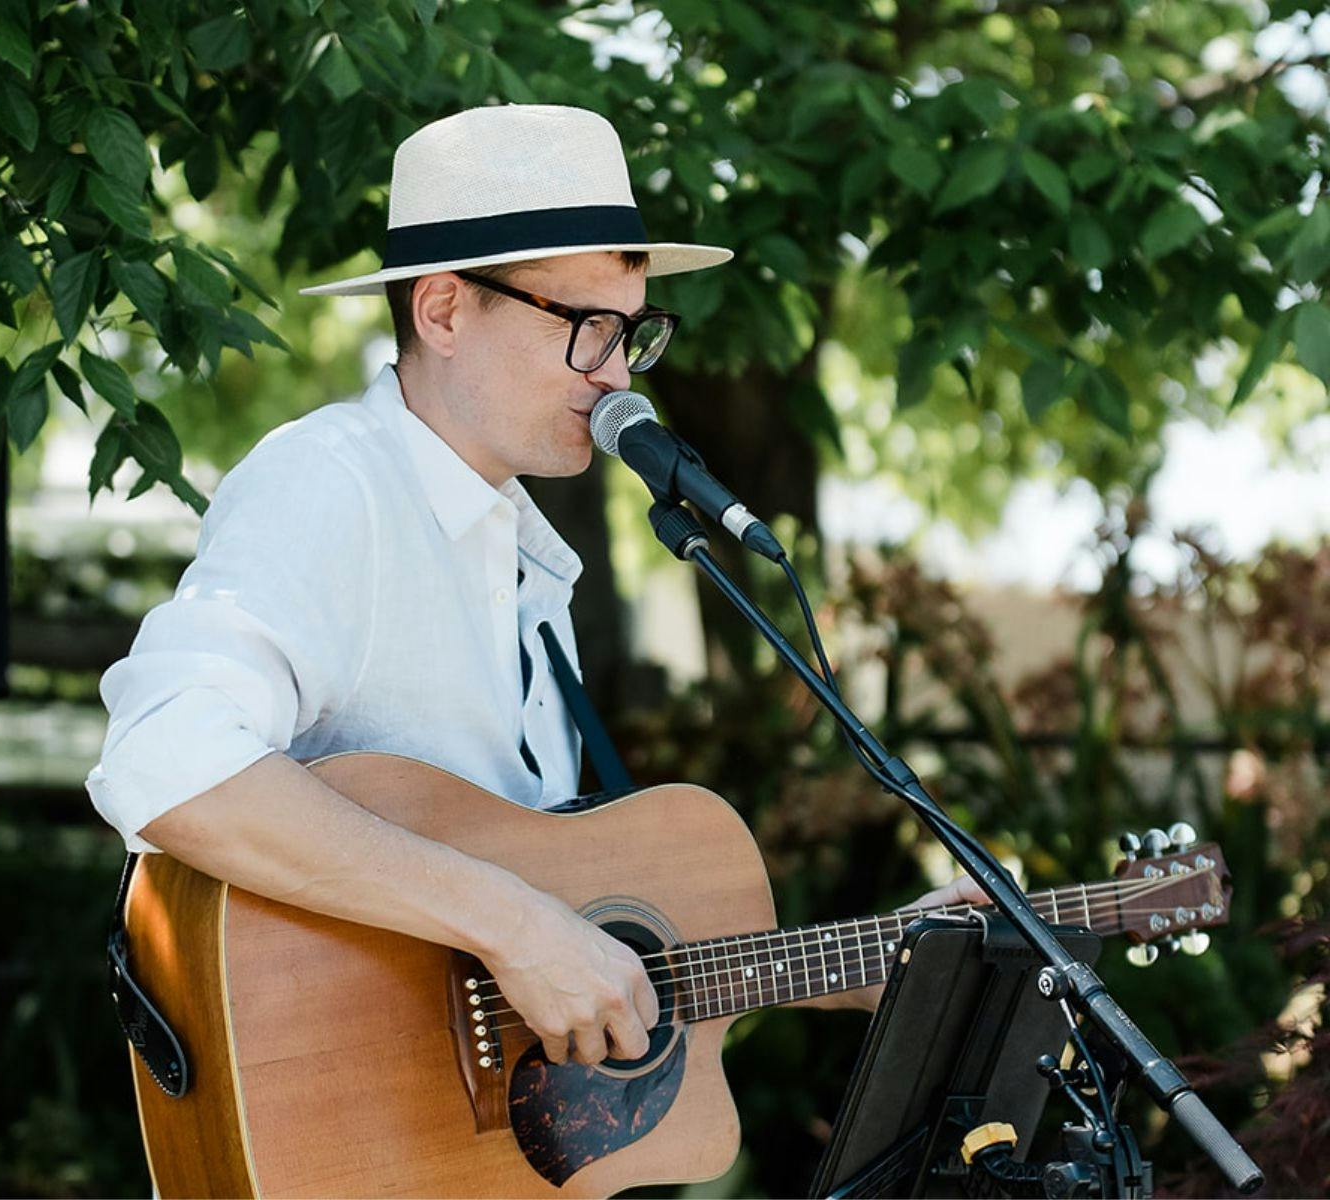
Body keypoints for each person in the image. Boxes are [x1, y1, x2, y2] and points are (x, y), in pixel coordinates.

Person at [85, 103, 982, 1072]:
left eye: (633, 333)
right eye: (587, 327)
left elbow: (563, 973)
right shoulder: (333, 482)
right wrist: (509, 920)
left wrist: (846, 970)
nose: (617, 378)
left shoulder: (518, 554)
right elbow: (165, 761)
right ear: (441, 311)